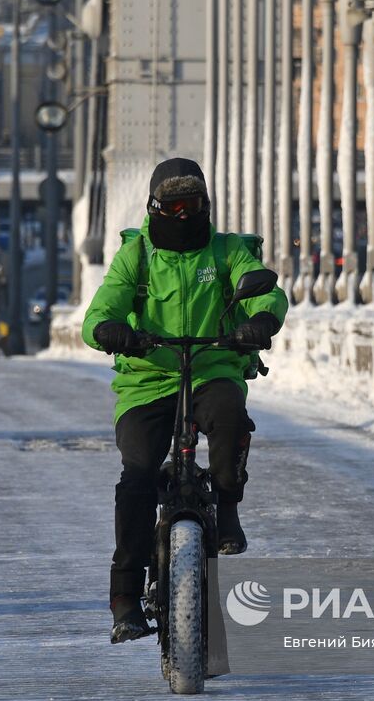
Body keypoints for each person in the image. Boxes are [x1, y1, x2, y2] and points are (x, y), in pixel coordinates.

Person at [82, 158, 287, 643]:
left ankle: (228, 506)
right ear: (153, 208)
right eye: (170, 206)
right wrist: (113, 332)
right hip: (147, 378)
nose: (180, 217)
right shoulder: (136, 257)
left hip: (213, 366)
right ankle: (126, 599)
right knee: (135, 479)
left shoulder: (228, 251)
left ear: (206, 207)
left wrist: (259, 322)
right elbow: (101, 309)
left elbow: (265, 291)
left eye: (190, 206)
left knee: (230, 416)